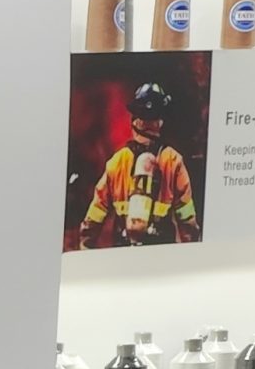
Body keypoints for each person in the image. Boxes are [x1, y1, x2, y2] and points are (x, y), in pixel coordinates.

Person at [77, 78, 199, 247]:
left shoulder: (117, 161)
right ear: (160, 122)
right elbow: (187, 218)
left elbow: (95, 214)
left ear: (135, 121)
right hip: (160, 252)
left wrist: (85, 248)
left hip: (124, 249)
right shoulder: (173, 161)